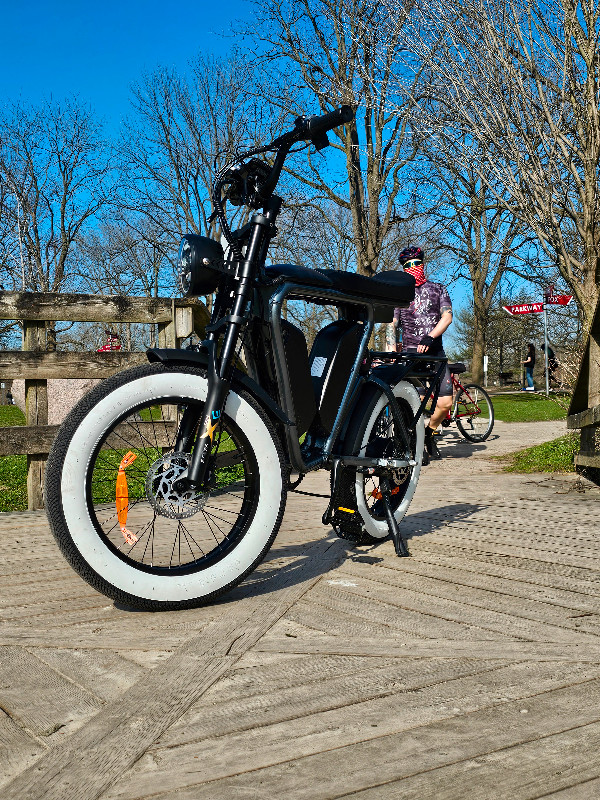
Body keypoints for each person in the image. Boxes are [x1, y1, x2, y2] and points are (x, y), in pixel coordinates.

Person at [393, 246, 453, 463]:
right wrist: (392, 349)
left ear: (423, 263)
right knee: (414, 402)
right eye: (407, 265)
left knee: (445, 403)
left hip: (435, 353)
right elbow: (392, 324)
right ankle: (417, 441)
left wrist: (430, 336)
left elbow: (447, 317)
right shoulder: (400, 295)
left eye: (416, 263)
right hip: (411, 355)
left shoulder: (438, 289)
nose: (413, 268)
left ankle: (430, 432)